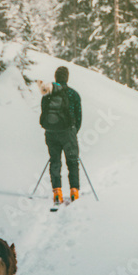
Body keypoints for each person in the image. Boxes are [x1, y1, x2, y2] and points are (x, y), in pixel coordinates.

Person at [39, 65, 82, 206]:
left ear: (56, 77)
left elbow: (44, 112)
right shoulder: (73, 94)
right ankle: (74, 191)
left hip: (51, 133)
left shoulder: (48, 94)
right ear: (67, 77)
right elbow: (79, 117)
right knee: (72, 161)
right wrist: (73, 132)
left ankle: (57, 192)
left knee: (55, 161)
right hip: (68, 132)